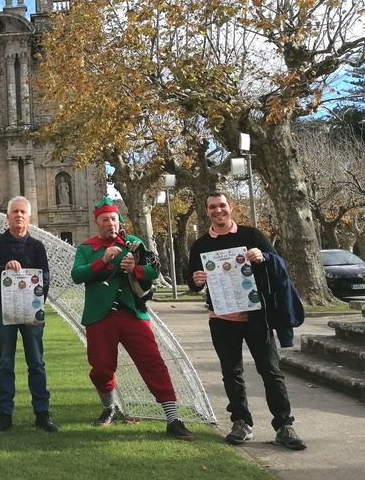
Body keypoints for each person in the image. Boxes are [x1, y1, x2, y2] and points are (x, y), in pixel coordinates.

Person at [187, 192, 306, 450]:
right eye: (212, 207)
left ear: (230, 208)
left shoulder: (252, 236)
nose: (218, 211)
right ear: (206, 211)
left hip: (256, 316)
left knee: (271, 371)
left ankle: (284, 425)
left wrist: (263, 257)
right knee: (232, 373)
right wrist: (196, 281)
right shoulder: (200, 245)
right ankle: (241, 422)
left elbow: (279, 263)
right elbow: (192, 281)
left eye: (222, 206)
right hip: (221, 317)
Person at [71, 197, 194, 440]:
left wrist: (135, 269)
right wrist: (103, 261)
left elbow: (154, 270)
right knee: (101, 367)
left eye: (114, 219)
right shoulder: (86, 248)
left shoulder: (133, 242)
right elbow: (77, 275)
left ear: (119, 220)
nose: (111, 223)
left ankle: (173, 418)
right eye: (105, 220)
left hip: (132, 312)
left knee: (153, 362)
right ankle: (110, 407)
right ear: (97, 223)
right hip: (99, 316)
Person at [0, 196, 59, 432]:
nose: (18, 216)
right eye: (14, 212)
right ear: (7, 216)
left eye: (22, 212)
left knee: (36, 362)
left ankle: (42, 413)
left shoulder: (37, 246)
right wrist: (3, 268)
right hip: (3, 312)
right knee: (5, 363)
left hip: (31, 313)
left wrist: (37, 304)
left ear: (29, 217)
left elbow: (45, 277)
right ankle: (4, 414)